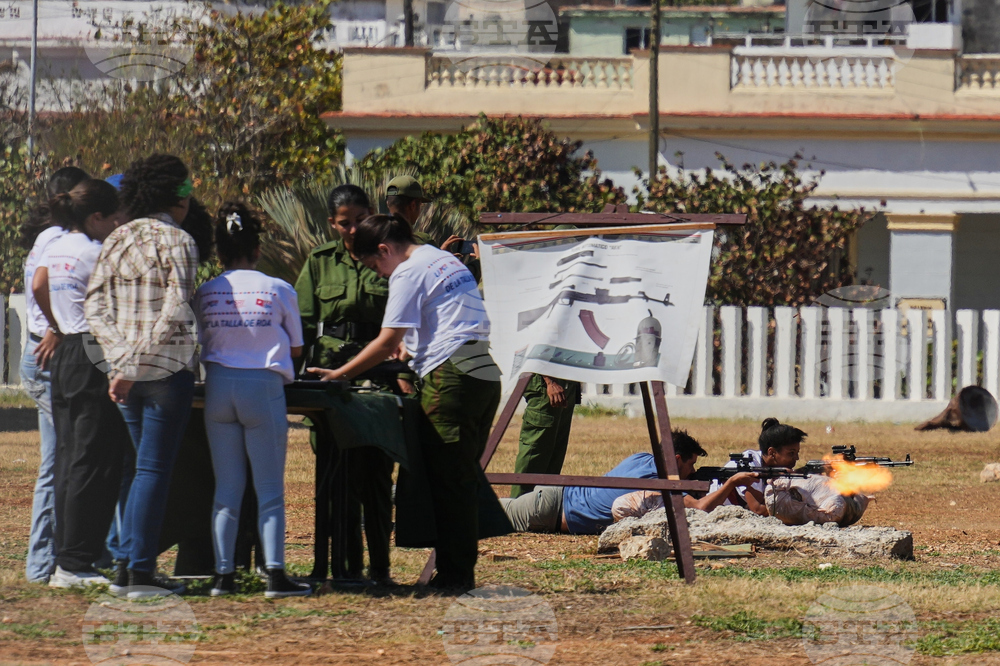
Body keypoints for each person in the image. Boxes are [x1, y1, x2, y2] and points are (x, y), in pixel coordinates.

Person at [307, 214, 501, 591]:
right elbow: (443, 319)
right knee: (460, 476)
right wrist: (410, 349)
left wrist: (338, 375)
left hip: (452, 377)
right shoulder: (439, 258)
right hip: (483, 372)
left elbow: (385, 340)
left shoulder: (407, 272)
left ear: (384, 249)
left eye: (374, 264)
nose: (378, 273)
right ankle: (456, 571)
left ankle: (456, 576)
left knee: (447, 479)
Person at [85, 154, 200, 598]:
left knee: (140, 470)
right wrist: (134, 365)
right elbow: (176, 309)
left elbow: (94, 307)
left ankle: (125, 565)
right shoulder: (179, 241)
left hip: (123, 375)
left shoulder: (116, 239)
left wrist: (120, 361)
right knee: (153, 470)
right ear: (176, 196)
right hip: (166, 372)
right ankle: (140, 571)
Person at [195, 203, 311, 598]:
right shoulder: (278, 289)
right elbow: (296, 348)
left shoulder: (206, 292)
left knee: (226, 489)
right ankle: (275, 574)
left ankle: (224, 576)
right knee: (269, 489)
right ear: (257, 249)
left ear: (220, 252)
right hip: (262, 388)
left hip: (218, 388)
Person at [294, 185, 402, 583]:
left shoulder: (390, 258)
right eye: (345, 223)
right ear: (332, 224)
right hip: (329, 378)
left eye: (360, 220)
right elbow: (303, 323)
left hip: (378, 375)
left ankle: (380, 568)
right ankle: (342, 567)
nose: (354, 229)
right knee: (334, 477)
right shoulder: (321, 262)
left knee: (375, 475)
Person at [41, 179, 128, 588]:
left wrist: (55, 324)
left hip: (66, 352)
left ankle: (68, 556)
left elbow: (39, 284)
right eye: (115, 218)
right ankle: (77, 562)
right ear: (97, 217)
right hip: (93, 350)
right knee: (94, 459)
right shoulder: (97, 253)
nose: (118, 225)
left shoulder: (55, 245)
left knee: (69, 457)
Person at [18, 165, 89, 583]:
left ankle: (46, 563)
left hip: (40, 350)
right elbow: (50, 291)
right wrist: (56, 330)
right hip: (48, 353)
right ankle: (46, 563)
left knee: (60, 460)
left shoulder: (45, 238)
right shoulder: (59, 241)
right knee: (59, 461)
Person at [500, 431, 760, 534]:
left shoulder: (643, 458)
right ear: (676, 459)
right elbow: (701, 508)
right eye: (689, 465)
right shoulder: (661, 484)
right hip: (550, 510)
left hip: (555, 499)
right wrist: (731, 483)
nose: (691, 471)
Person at [709, 417, 805, 517]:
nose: (797, 458)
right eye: (791, 453)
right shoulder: (748, 465)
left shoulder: (771, 467)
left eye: (797, 453)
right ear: (772, 452)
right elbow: (758, 509)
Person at [509, 375, 581, 498]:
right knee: (534, 454)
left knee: (555, 456)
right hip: (546, 385)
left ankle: (541, 510)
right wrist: (550, 382)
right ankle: (518, 508)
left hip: (567, 382)